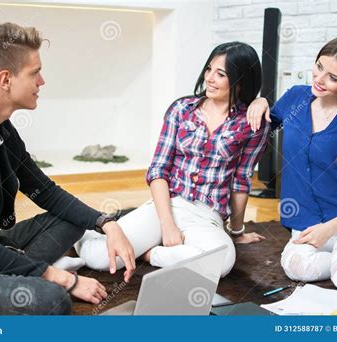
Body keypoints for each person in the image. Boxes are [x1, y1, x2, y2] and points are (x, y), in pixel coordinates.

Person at [0, 22, 136, 315]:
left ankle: (10, 269)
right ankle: (19, 273)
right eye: (35, 72)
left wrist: (106, 223)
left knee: (72, 219)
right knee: (52, 299)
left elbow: (44, 190)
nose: (42, 81)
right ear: (5, 79)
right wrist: (63, 279)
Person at [75, 42, 269, 277]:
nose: (209, 78)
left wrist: (237, 233)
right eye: (209, 69)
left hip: (206, 217)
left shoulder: (252, 123)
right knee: (98, 257)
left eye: (220, 74)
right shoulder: (181, 109)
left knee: (222, 262)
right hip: (165, 206)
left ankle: (150, 254)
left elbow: (241, 181)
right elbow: (158, 169)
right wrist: (167, 225)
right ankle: (80, 229)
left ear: (240, 81)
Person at [246, 36, 337, 293]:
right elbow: (270, 118)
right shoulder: (296, 98)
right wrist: (261, 100)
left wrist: (331, 229)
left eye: (333, 78)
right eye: (319, 66)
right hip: (307, 221)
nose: (319, 79)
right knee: (295, 266)